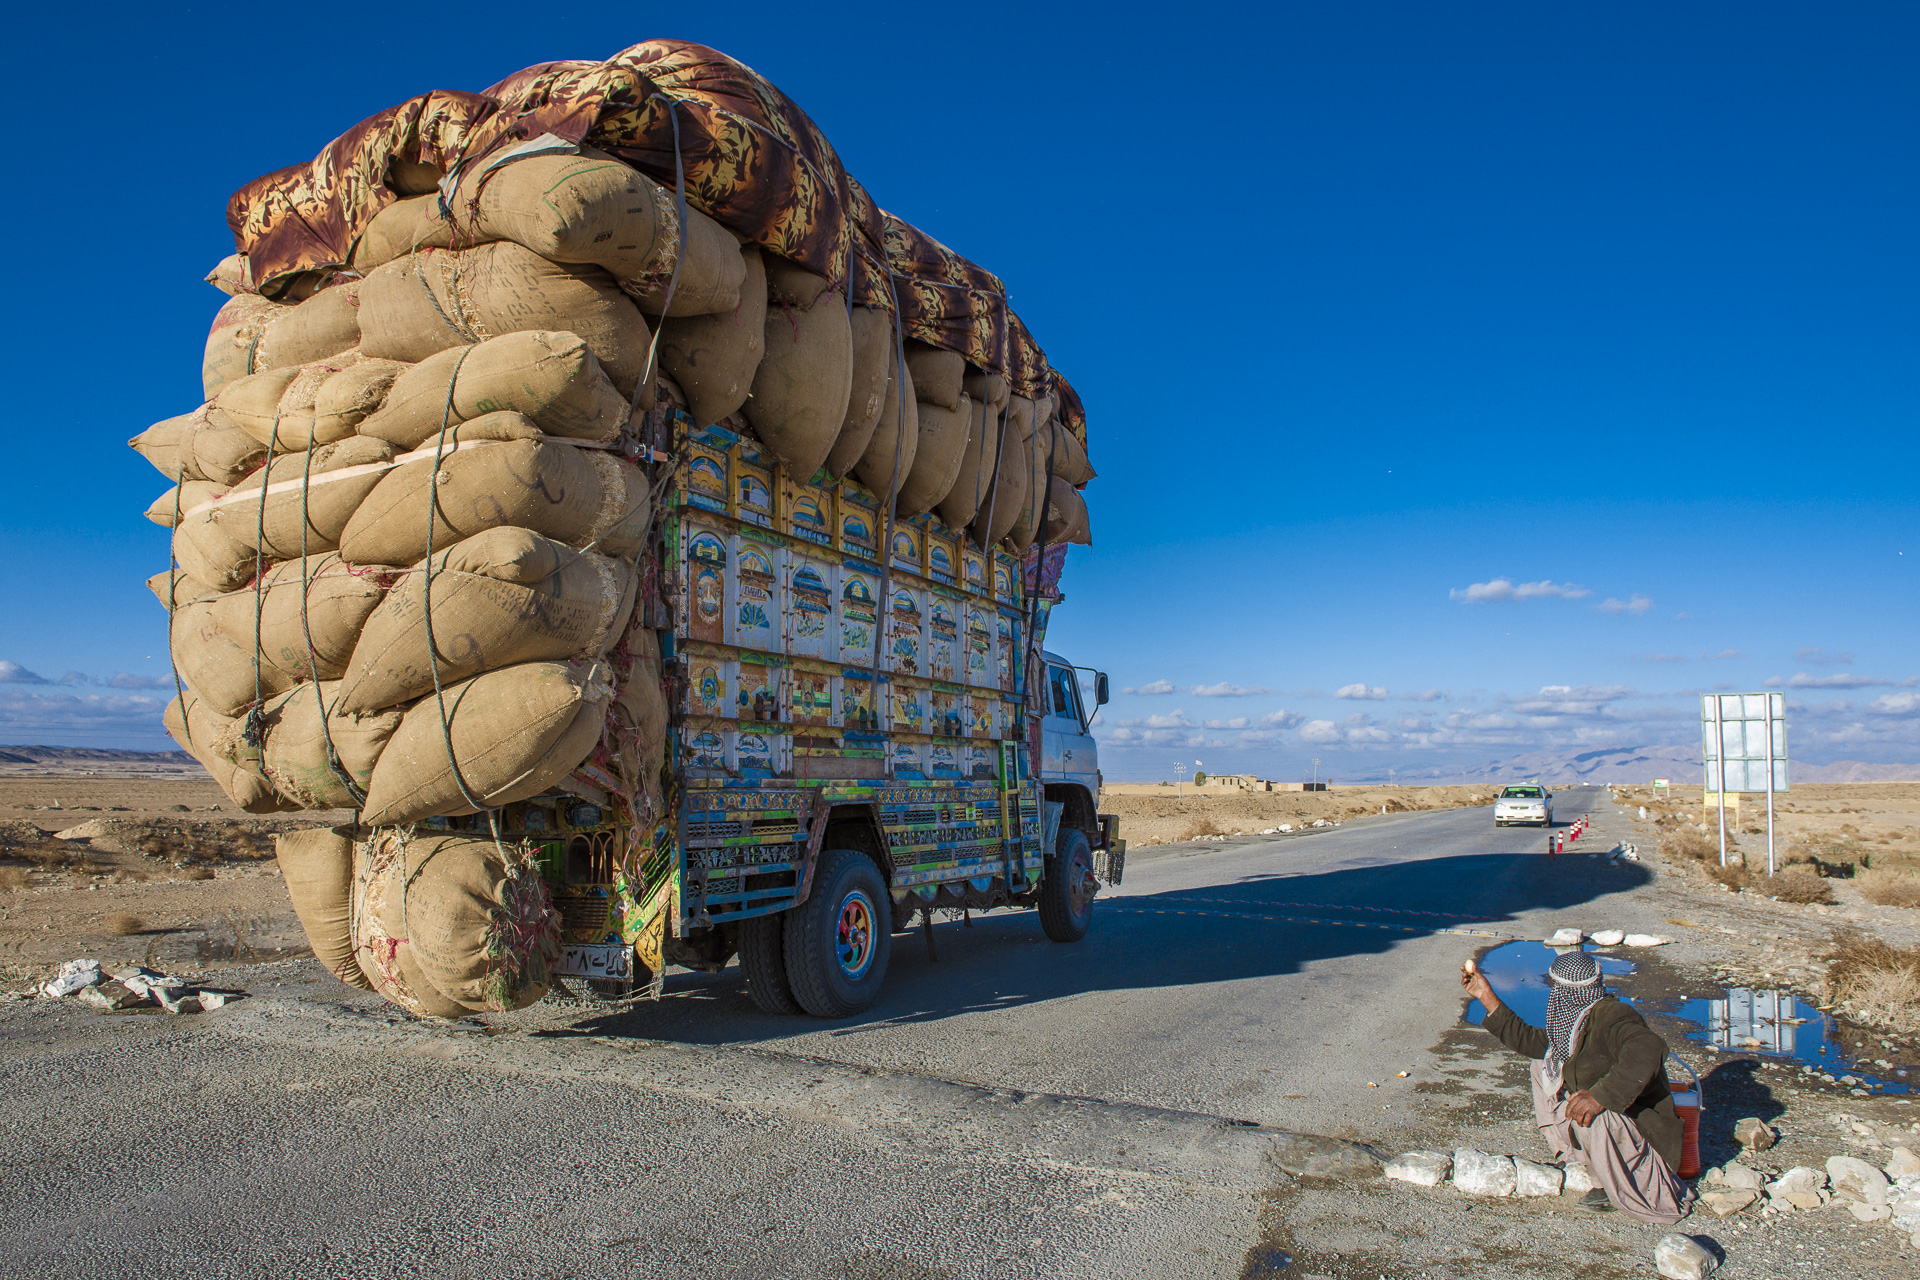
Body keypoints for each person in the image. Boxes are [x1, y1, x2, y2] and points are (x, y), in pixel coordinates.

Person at [1462, 951, 1690, 1224]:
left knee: (1592, 1108)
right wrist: (1486, 996)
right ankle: (1575, 1156)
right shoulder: (1575, 1022)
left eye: (1555, 987)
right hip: (1618, 1131)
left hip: (1643, 1137)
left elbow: (1649, 1048)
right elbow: (1531, 1042)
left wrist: (1600, 1096)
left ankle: (1610, 1183)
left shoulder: (1614, 1015)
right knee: (1541, 1064)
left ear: (1563, 989)